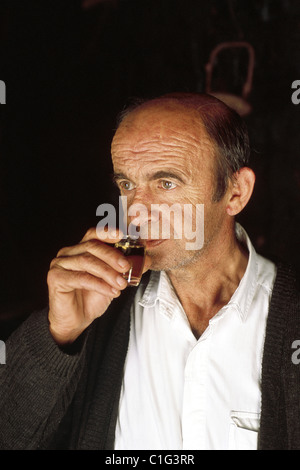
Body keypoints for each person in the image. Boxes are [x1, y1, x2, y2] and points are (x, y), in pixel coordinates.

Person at [0, 93, 299, 450]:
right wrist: (58, 335)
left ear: (236, 192)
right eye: (127, 184)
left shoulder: (291, 320)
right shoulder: (98, 313)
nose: (136, 213)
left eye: (166, 183)